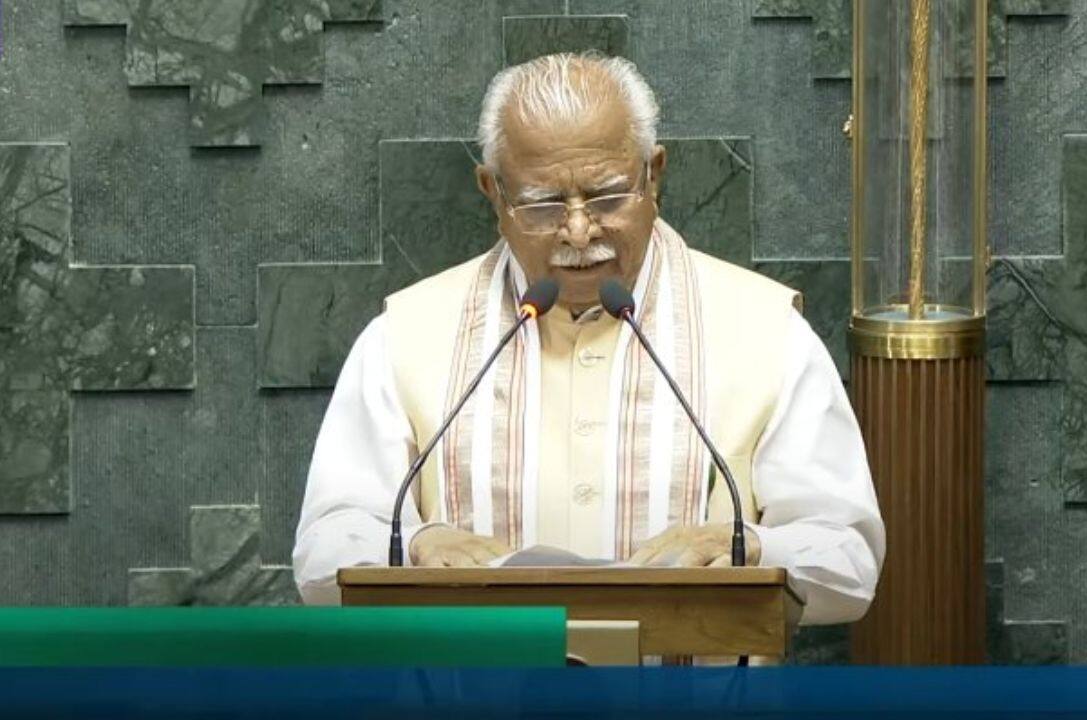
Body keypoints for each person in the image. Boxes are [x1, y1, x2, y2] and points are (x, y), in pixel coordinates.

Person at [292, 52, 885, 625]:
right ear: (493, 193)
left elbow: (848, 562)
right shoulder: (407, 335)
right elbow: (322, 551)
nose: (578, 231)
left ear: (653, 174)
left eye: (604, 196)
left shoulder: (765, 331)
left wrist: (750, 548)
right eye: (544, 203)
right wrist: (414, 544)